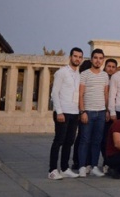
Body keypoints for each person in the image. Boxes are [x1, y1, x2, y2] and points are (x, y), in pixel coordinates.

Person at [48, 47, 83, 180]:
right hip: (62, 112)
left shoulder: (78, 74)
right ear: (70, 57)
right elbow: (54, 93)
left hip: (74, 112)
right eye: (75, 56)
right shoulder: (61, 72)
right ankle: (52, 169)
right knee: (58, 141)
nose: (77, 59)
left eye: (80, 57)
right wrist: (59, 111)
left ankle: (64, 168)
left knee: (69, 141)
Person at [78, 48, 109, 178]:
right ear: (91, 59)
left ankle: (94, 166)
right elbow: (80, 94)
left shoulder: (105, 75)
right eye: (95, 58)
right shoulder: (84, 74)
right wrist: (82, 111)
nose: (98, 60)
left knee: (97, 140)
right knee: (85, 140)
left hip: (101, 112)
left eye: (100, 58)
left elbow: (106, 93)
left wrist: (107, 110)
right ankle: (82, 167)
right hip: (88, 112)